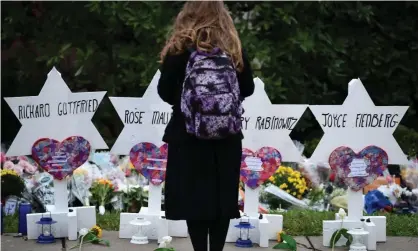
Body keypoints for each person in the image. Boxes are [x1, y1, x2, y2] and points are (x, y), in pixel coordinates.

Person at [157, 1, 255, 251]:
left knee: (195, 201)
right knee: (222, 201)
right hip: (227, 135)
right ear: (223, 17)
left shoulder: (179, 49)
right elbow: (248, 88)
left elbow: (165, 91)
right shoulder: (233, 49)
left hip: (187, 134)